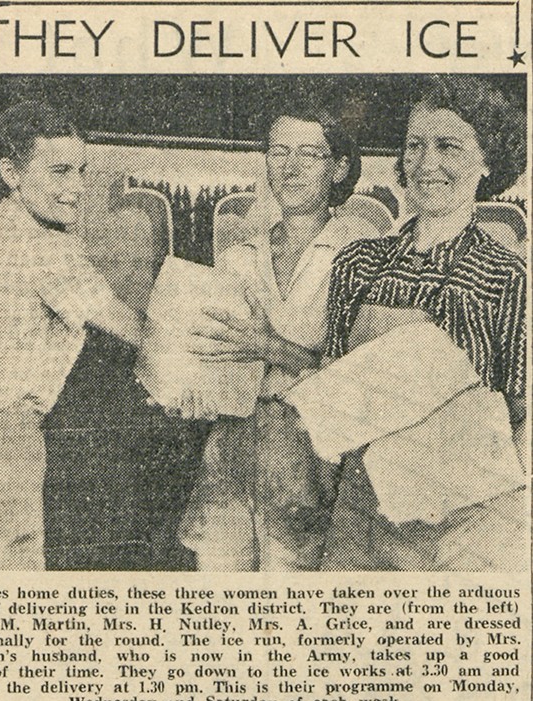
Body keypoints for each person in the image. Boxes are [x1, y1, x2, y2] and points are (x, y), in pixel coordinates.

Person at [315, 76, 527, 571]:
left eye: (448, 146)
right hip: (362, 511)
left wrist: (506, 526)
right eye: (415, 146)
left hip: (464, 521)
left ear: (487, 163)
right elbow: (329, 378)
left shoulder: (507, 274)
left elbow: (524, 409)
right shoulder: (358, 263)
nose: (427, 163)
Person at [0, 102, 144, 570]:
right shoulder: (40, 245)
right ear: (11, 173)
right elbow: (128, 325)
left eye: (81, 171)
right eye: (60, 172)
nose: (77, 188)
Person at [176, 108, 364, 571]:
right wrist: (188, 391)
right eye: (279, 152)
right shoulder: (240, 255)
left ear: (338, 168)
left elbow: (361, 375)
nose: (291, 167)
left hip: (312, 457)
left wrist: (268, 346)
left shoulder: (360, 255)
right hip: (229, 454)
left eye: (309, 154)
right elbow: (213, 361)